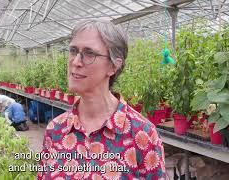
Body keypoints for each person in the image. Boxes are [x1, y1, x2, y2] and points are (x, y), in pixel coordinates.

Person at [38, 20, 166, 179]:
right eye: (73, 51)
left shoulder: (142, 135)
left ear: (113, 66)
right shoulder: (55, 130)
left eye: (89, 53)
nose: (76, 62)